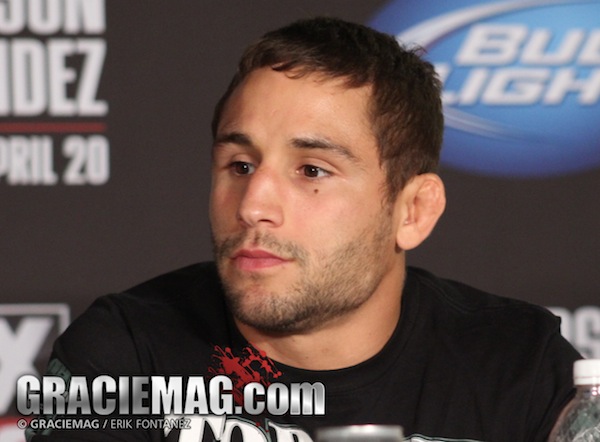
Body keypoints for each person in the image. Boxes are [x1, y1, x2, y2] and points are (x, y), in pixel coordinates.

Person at [26, 17, 580, 442]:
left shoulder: (521, 367)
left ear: (413, 210)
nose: (253, 206)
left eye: (312, 171)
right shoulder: (122, 355)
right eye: (240, 165)